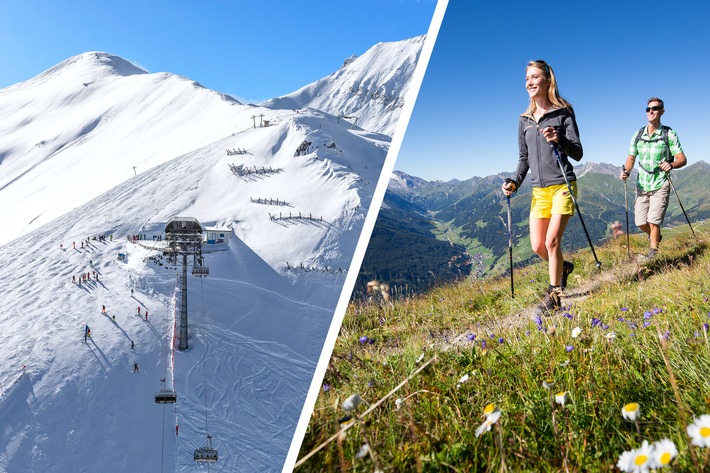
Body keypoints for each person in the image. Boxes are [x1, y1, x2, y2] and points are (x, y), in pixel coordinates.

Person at [502, 59, 583, 315]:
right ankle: (564, 267)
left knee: (551, 242)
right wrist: (515, 182)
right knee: (538, 246)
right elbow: (524, 158)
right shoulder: (524, 120)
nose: (530, 82)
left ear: (548, 80)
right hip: (539, 191)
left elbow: (578, 152)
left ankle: (554, 297)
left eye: (535, 77)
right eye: (527, 78)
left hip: (562, 184)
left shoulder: (564, 112)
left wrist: (559, 139)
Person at [620, 97, 687, 259]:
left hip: (660, 183)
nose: (651, 111)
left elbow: (682, 159)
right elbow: (631, 158)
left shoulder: (669, 134)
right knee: (640, 222)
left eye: (655, 108)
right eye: (648, 109)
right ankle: (656, 236)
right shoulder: (638, 135)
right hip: (642, 184)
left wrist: (671, 164)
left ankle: (654, 253)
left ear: (662, 111)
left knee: (653, 221)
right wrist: (626, 171)